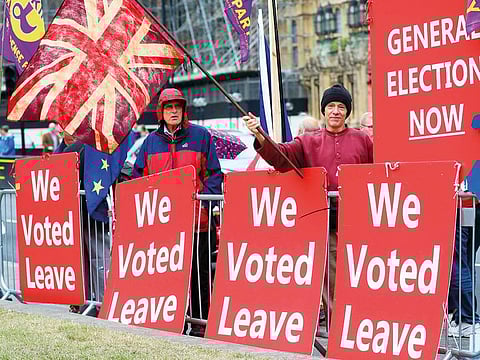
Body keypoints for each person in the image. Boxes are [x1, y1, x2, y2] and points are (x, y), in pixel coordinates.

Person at [243, 84, 373, 331]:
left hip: (360, 224)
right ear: (324, 111)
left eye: (341, 107)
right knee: (335, 287)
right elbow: (281, 157)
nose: (336, 111)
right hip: (326, 225)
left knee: (362, 283)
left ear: (347, 112)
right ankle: (340, 337)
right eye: (331, 106)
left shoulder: (362, 140)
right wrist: (259, 134)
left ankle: (357, 334)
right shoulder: (306, 141)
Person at [133, 88, 223, 336]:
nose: (174, 111)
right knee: (167, 275)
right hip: (163, 225)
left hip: (198, 224)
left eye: (178, 107)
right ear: (160, 112)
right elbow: (139, 178)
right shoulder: (150, 142)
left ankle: (199, 323)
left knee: (199, 275)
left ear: (184, 110)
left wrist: (203, 205)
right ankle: (172, 320)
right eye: (169, 107)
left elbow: (214, 175)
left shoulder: (201, 136)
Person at [448, 191, 480, 337]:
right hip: (473, 204)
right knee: (466, 262)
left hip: (461, 205)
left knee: (458, 263)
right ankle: (465, 316)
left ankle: (466, 318)